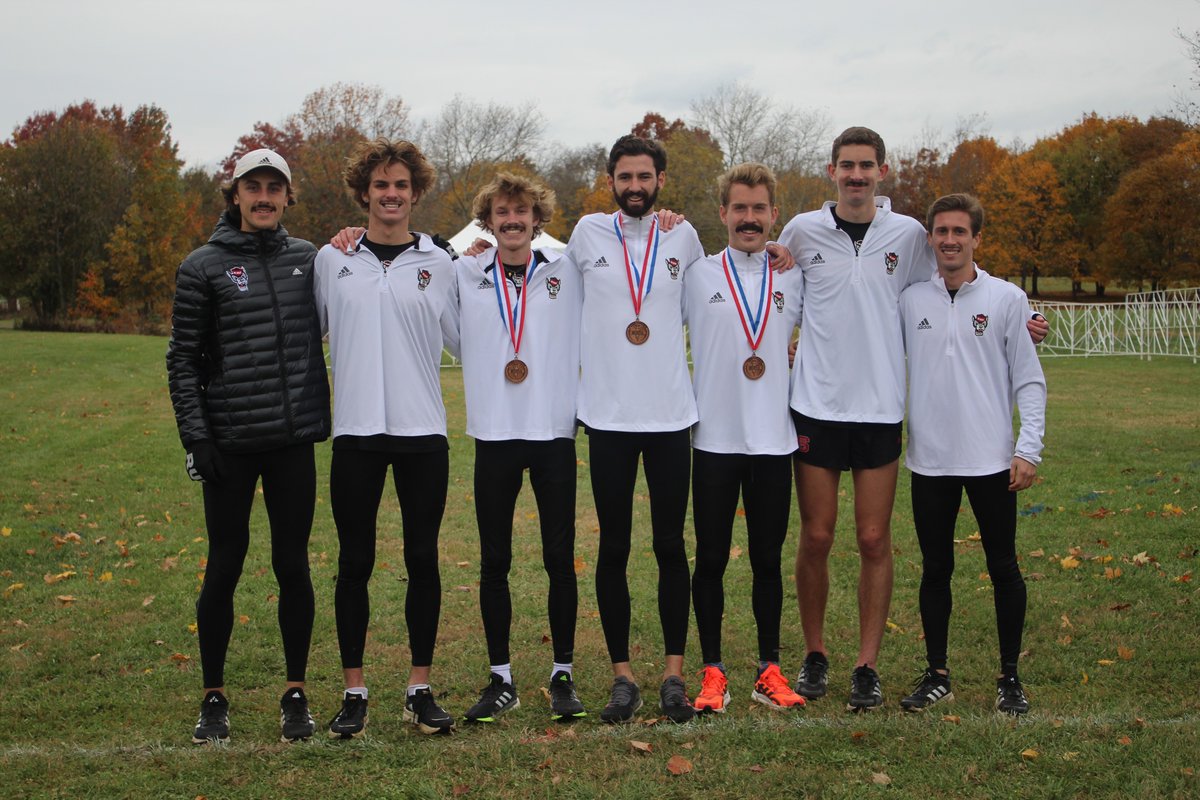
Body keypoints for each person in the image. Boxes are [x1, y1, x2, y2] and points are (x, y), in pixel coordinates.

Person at [778, 127, 1047, 711]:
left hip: (879, 410)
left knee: (875, 538)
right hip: (815, 406)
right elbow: (776, 296)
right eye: (846, 165)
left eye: (866, 165)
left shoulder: (907, 234)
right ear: (832, 171)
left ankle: (867, 666)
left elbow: (961, 266)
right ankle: (816, 654)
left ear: (881, 171)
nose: (856, 175)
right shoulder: (799, 231)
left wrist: (1020, 317)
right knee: (818, 536)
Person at [166, 148, 330, 744]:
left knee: (293, 565)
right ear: (234, 195)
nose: (264, 197)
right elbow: (182, 360)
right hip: (230, 446)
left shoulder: (310, 259)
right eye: (252, 187)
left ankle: (295, 693)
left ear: (287, 196)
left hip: (292, 443)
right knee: (225, 567)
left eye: (274, 188)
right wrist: (197, 437)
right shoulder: (202, 266)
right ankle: (213, 697)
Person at [314, 138, 460, 737]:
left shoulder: (442, 263)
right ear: (364, 193)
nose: (391, 194)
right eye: (380, 185)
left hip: (423, 432)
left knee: (422, 560)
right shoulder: (333, 260)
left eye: (401, 185)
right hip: (355, 432)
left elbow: (470, 340)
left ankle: (419, 689)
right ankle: (354, 692)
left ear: (416, 192)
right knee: (355, 562)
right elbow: (306, 334)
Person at [566, 135, 703, 723]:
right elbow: (545, 288)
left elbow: (715, 305)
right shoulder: (585, 235)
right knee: (614, 547)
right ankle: (622, 676)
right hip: (609, 417)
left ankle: (674, 673)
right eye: (625, 177)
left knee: (671, 546)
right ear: (612, 180)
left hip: (671, 416)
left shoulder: (685, 236)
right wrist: (478, 253)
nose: (635, 186)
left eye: (644, 176)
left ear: (660, 180)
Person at [898, 193, 1045, 715]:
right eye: (941, 232)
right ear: (931, 238)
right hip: (930, 459)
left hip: (991, 460)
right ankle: (938, 673)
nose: (950, 241)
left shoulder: (1008, 300)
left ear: (977, 238)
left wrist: (1028, 448)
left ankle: (1009, 676)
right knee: (935, 570)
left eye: (960, 232)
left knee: (1003, 567)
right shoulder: (912, 299)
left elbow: (1029, 379)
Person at [454, 173, 587, 723]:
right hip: (494, 432)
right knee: (495, 560)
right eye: (502, 212)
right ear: (488, 220)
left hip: (553, 430)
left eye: (522, 211)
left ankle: (563, 675)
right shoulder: (464, 270)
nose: (512, 220)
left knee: (559, 558)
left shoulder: (567, 268)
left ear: (538, 217)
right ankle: (501, 677)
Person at [684, 163, 806, 714]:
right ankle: (713, 671)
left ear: (772, 214)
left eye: (759, 209)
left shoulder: (794, 276)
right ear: (723, 214)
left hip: (773, 442)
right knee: (709, 560)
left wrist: (1027, 310)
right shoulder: (696, 274)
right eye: (740, 209)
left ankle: (769, 669)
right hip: (714, 440)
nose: (749, 219)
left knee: (767, 560)